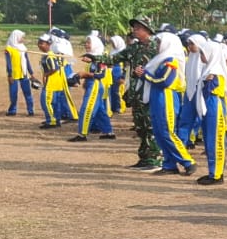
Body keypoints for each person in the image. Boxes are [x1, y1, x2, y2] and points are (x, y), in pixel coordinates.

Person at [141, 31, 196, 177]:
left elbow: (165, 81)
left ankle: (187, 161)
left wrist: (145, 75)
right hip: (157, 97)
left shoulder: (171, 59)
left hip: (166, 97)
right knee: (159, 132)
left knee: (167, 131)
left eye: (160, 42)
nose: (157, 46)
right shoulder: (161, 59)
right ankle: (169, 164)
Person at [189, 32, 227, 183]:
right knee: (208, 140)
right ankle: (212, 171)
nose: (201, 55)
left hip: (214, 107)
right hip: (208, 106)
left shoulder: (216, 72)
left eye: (203, 53)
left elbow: (209, 91)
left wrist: (205, 82)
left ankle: (217, 174)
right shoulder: (208, 71)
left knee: (215, 140)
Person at [122, 17, 162, 169]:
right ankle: (144, 158)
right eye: (135, 28)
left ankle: (155, 159)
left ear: (147, 30)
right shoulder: (134, 48)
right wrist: (94, 58)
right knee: (141, 128)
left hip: (151, 92)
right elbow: (115, 57)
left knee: (151, 126)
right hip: (137, 94)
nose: (135, 30)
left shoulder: (157, 48)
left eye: (138, 28)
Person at [67, 41, 115, 142]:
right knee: (100, 111)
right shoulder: (94, 58)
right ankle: (108, 132)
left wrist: (83, 74)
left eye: (89, 43)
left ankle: (82, 134)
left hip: (95, 86)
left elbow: (100, 75)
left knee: (87, 109)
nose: (86, 44)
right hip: (93, 85)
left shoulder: (100, 59)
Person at [36, 34, 77, 128]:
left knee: (46, 102)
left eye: (41, 43)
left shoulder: (49, 56)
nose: (39, 45)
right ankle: (57, 119)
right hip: (57, 82)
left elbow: (54, 68)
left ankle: (51, 121)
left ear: (48, 44)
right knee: (55, 103)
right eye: (39, 43)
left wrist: (46, 74)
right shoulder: (51, 55)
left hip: (52, 83)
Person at [2, 29, 37, 116]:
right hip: (14, 75)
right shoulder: (9, 49)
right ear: (16, 37)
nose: (23, 39)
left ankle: (31, 110)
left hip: (24, 74)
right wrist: (9, 75)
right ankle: (12, 110)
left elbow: (27, 61)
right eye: (22, 37)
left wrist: (31, 73)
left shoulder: (23, 48)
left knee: (27, 93)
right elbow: (8, 63)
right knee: (13, 94)